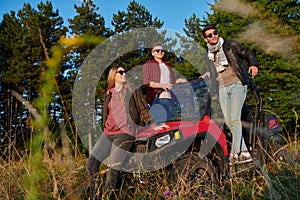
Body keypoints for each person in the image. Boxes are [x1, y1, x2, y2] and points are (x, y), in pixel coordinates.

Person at [86, 66, 162, 199]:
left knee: (113, 169)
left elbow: (142, 107)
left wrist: (153, 124)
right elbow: (106, 113)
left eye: (125, 71)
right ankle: (95, 196)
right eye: (120, 72)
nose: (124, 74)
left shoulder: (132, 89)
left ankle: (108, 197)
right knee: (91, 164)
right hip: (108, 133)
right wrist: (104, 126)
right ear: (113, 76)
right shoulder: (108, 93)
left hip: (124, 133)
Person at [200, 25, 259, 165]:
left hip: (237, 83)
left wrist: (253, 64)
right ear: (205, 39)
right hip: (222, 88)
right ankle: (245, 152)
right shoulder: (208, 55)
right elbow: (213, 72)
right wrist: (207, 74)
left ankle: (235, 152)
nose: (213, 36)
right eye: (209, 35)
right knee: (228, 121)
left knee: (235, 118)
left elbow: (248, 53)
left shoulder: (229, 45)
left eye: (215, 33)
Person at [142, 44, 185, 123]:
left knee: (169, 123)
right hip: (157, 99)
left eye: (162, 50)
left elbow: (172, 81)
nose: (160, 52)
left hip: (170, 99)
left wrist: (180, 80)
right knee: (160, 123)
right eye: (157, 50)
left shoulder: (167, 65)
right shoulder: (149, 64)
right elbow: (146, 82)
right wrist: (162, 85)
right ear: (153, 53)